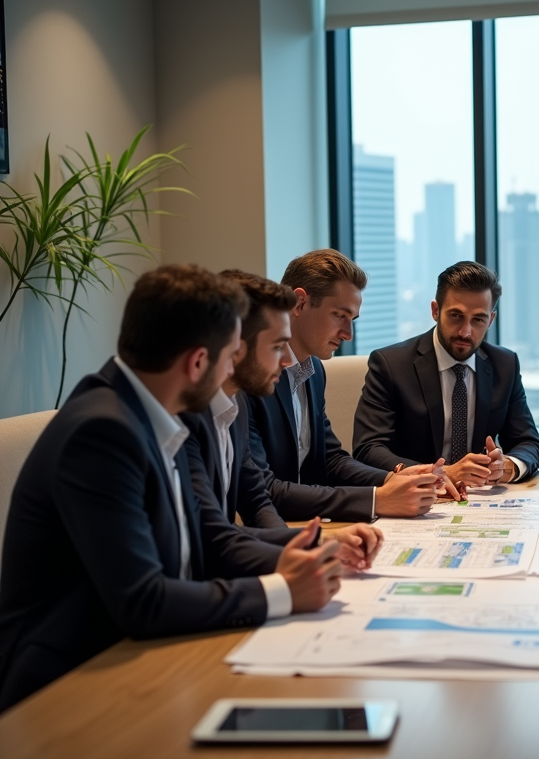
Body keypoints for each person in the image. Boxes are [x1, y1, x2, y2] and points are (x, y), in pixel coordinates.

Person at [0, 265, 348, 713]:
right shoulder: (103, 431)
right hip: (68, 684)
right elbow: (143, 600)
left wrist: (303, 554)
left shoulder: (150, 415)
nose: (233, 369)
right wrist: (281, 591)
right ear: (198, 362)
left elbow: (203, 538)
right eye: (229, 354)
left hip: (141, 655)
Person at [182, 270, 383, 566]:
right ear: (234, 347)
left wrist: (309, 546)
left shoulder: (231, 406)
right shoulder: (187, 418)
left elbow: (255, 499)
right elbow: (214, 536)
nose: (287, 360)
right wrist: (296, 563)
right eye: (277, 347)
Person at [246, 250, 441, 521]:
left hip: (310, 522)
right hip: (273, 529)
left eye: (352, 320)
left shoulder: (314, 373)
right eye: (340, 315)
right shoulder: (252, 377)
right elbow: (264, 490)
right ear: (299, 303)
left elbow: (331, 459)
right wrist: (377, 500)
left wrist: (394, 478)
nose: (348, 334)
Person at [353, 261, 539, 487]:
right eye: (456, 316)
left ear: (490, 320)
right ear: (435, 311)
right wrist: (439, 474)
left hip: (479, 502)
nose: (465, 331)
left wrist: (506, 466)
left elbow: (529, 443)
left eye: (478, 320)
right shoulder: (391, 365)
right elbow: (368, 448)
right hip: (411, 498)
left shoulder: (505, 364)